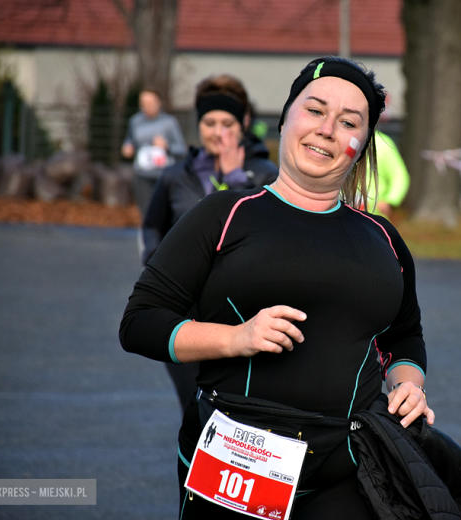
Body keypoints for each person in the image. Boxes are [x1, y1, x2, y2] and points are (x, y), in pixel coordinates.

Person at [120, 56, 433, 519]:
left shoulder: (384, 238)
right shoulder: (222, 215)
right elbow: (140, 323)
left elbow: (404, 335)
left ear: (362, 145)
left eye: (348, 122)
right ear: (284, 119)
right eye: (314, 110)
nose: (327, 129)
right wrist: (234, 338)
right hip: (240, 468)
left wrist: (408, 383)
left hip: (349, 470)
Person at [140, 75, 279, 413]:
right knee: (195, 409)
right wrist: (158, 266)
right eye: (210, 122)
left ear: (243, 125)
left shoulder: (264, 175)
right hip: (185, 314)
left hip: (243, 313)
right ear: (198, 124)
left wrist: (235, 179)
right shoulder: (175, 176)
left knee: (239, 414)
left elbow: (267, 235)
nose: (219, 131)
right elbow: (152, 227)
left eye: (227, 123)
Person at [121, 89, 187, 214]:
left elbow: (182, 149)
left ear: (159, 102)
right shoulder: (135, 121)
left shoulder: (169, 122)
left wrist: (167, 146)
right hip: (142, 175)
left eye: (151, 103)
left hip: (163, 175)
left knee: (164, 212)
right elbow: (129, 140)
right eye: (143, 104)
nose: (147, 107)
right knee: (146, 212)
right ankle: (146, 233)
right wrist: (127, 147)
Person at [366, 130, 410, 218]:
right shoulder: (340, 140)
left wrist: (390, 200)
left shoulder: (383, 143)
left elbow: (399, 175)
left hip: (375, 216)